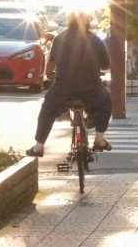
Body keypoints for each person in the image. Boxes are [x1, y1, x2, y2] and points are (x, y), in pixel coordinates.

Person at [28, 10, 112, 159]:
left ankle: (38, 147)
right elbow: (106, 64)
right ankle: (99, 139)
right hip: (91, 88)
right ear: (88, 22)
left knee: (47, 110)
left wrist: (50, 75)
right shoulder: (95, 39)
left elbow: (51, 63)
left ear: (68, 22)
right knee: (105, 103)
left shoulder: (60, 38)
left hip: (63, 89)